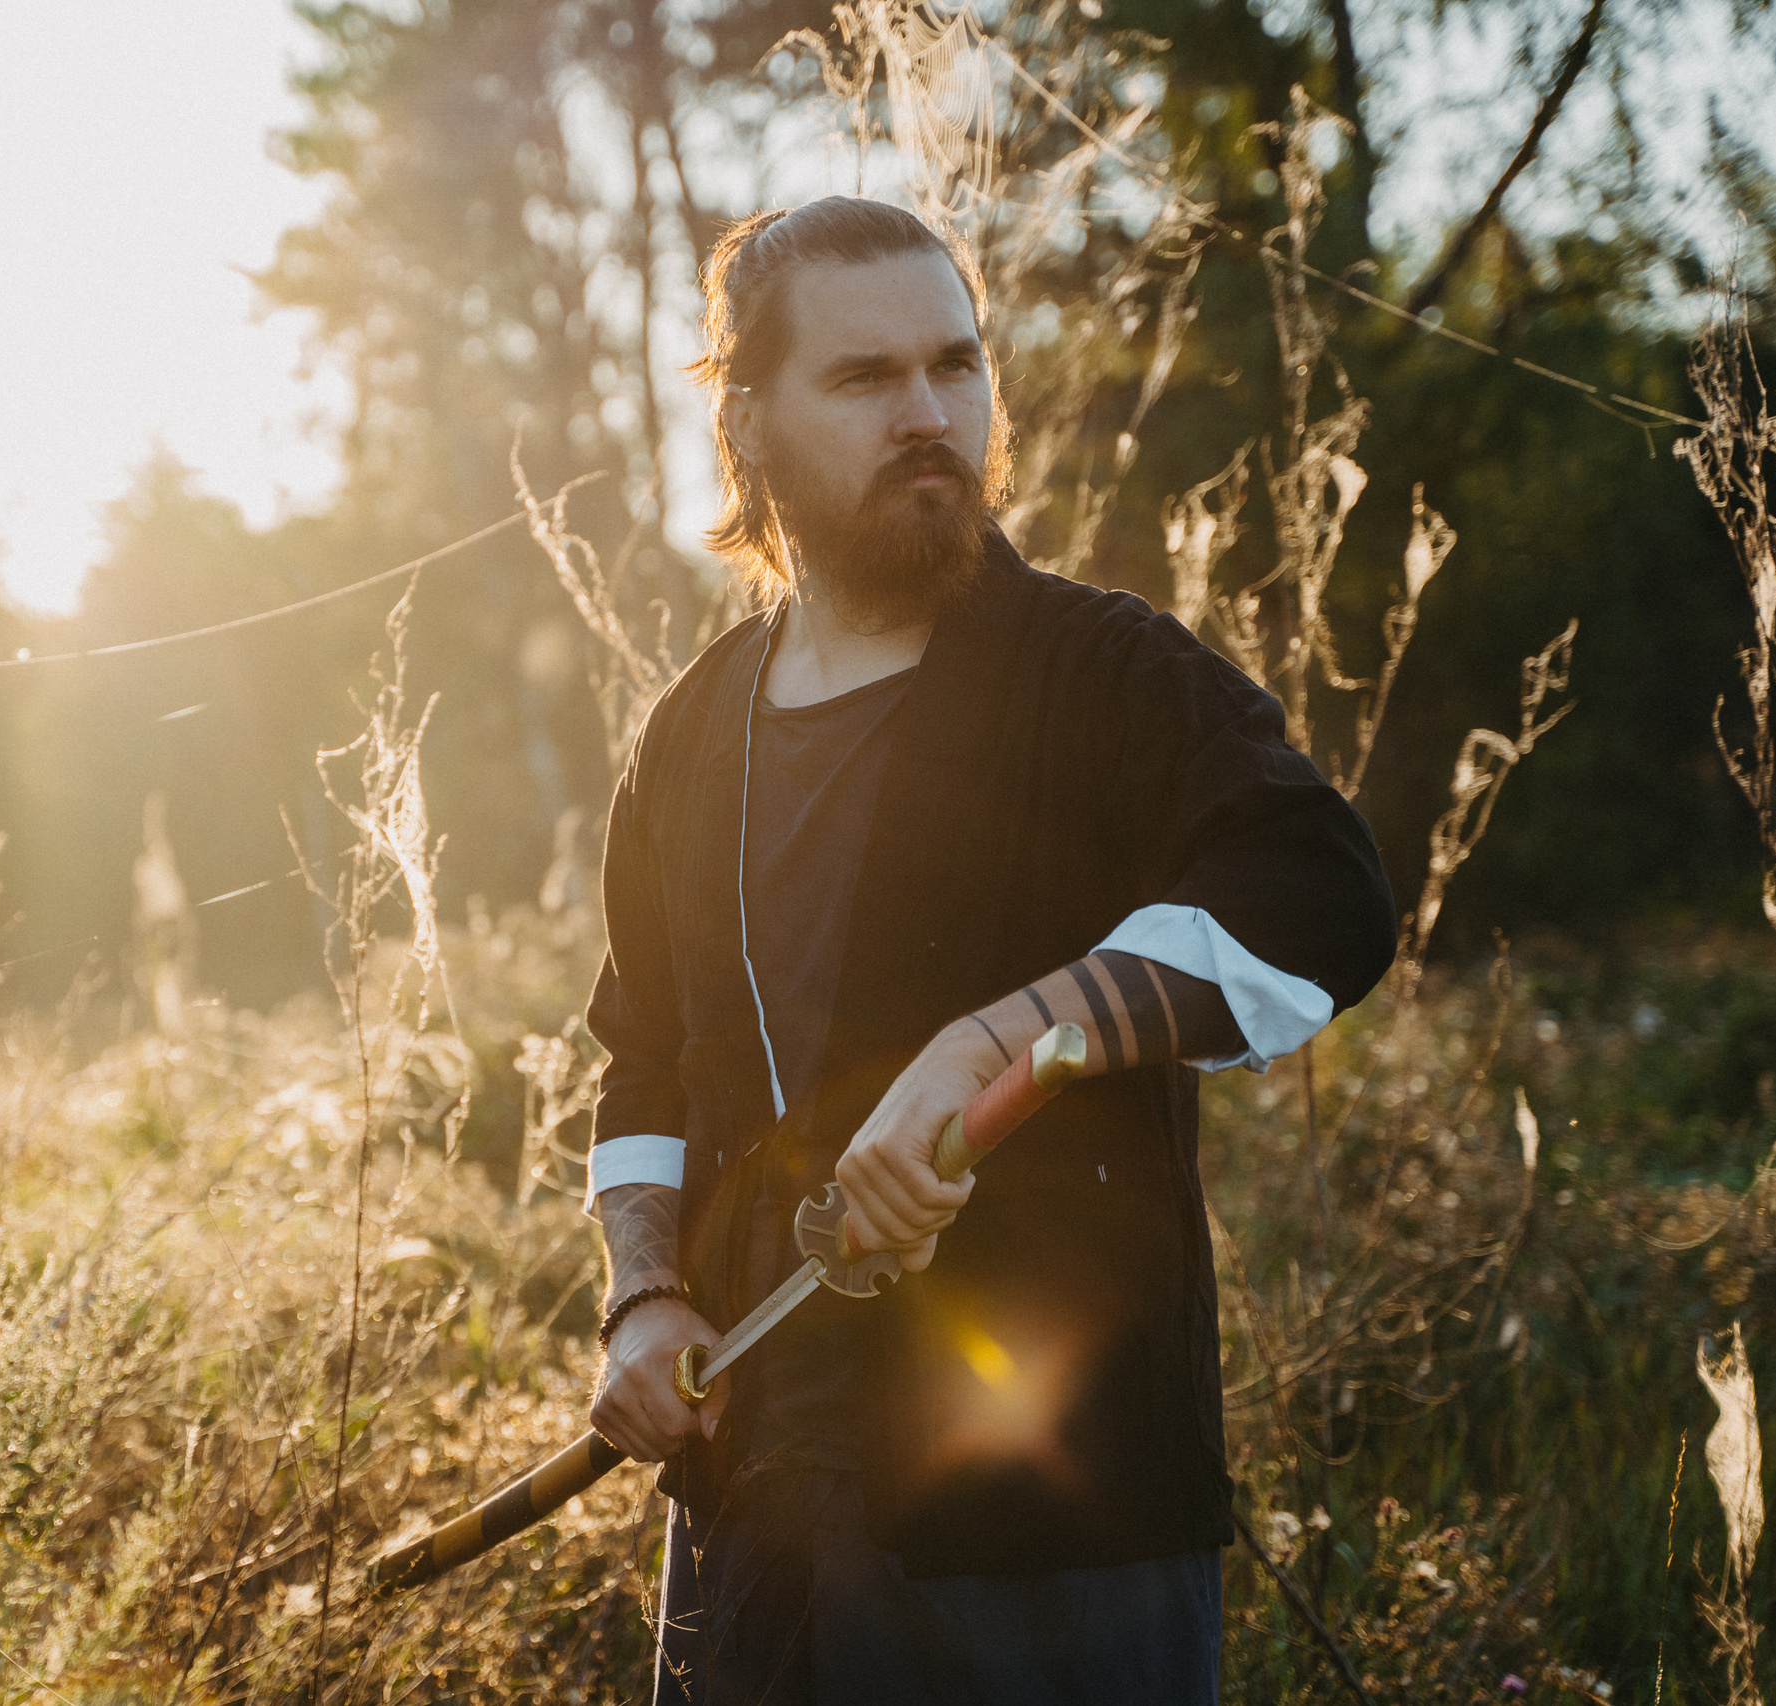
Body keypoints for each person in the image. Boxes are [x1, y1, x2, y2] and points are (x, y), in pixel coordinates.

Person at [580, 196, 1397, 1705]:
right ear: (745, 420)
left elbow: (1323, 896)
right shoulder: (689, 736)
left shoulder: (1107, 671)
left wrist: (996, 1039)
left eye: (956, 367)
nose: (928, 414)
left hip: (1052, 1520)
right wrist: (643, 1297)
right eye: (865, 378)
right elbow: (638, 1059)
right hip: (751, 1499)